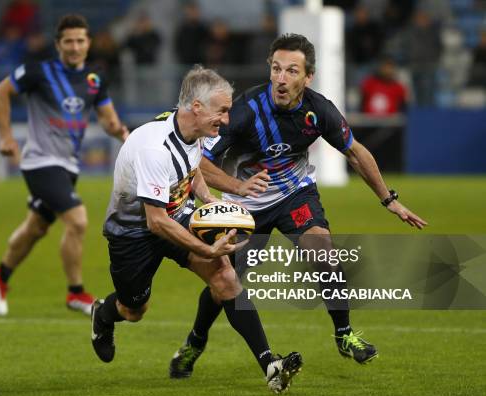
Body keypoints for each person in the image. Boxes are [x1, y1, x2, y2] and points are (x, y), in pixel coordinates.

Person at [169, 34, 428, 377]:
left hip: (294, 195)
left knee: (322, 249)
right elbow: (199, 163)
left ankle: (344, 334)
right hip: (244, 205)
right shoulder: (245, 110)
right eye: (276, 68)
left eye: (292, 71)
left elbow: (355, 152)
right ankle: (194, 343)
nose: (281, 77)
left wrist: (388, 200)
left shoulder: (318, 110)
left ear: (308, 78)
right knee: (224, 282)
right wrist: (236, 186)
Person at [91, 66, 303, 394]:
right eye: (222, 111)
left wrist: (209, 201)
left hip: (176, 213)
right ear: (197, 107)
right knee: (134, 310)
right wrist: (206, 249)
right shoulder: (154, 150)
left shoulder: (195, 131)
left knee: (226, 278)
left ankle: (270, 366)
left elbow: (194, 167)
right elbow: (155, 221)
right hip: (133, 233)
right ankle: (103, 314)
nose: (227, 120)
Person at [0, 14, 129, 317]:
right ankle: (76, 293)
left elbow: (108, 119)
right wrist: (7, 136)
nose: (75, 47)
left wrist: (122, 133)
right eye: (69, 41)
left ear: (88, 43)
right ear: (58, 44)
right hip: (40, 162)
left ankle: (0, 275)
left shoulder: (94, 78)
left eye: (80, 40)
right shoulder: (39, 71)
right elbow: (1, 92)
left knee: (35, 228)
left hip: (68, 166)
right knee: (77, 221)